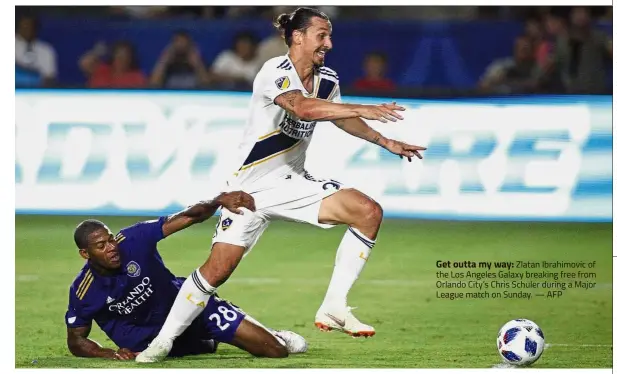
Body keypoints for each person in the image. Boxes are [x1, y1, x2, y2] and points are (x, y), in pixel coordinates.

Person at [136, 7, 426, 362]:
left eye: (330, 35)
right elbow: (302, 109)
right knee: (215, 272)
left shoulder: (328, 78)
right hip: (247, 190)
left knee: (367, 211)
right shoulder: (274, 71)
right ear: (298, 37)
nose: (329, 43)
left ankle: (334, 305)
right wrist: (361, 107)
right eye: (322, 35)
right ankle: (163, 342)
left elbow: (340, 119)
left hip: (292, 184)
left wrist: (386, 142)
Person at [65, 191, 307, 361]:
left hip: (190, 306)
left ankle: (270, 334)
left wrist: (217, 201)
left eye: (110, 239)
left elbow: (187, 217)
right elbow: (76, 341)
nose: (112, 247)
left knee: (275, 350)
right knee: (206, 347)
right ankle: (205, 340)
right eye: (101, 246)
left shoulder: (133, 239)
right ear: (85, 254)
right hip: (147, 341)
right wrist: (109, 353)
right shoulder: (83, 291)